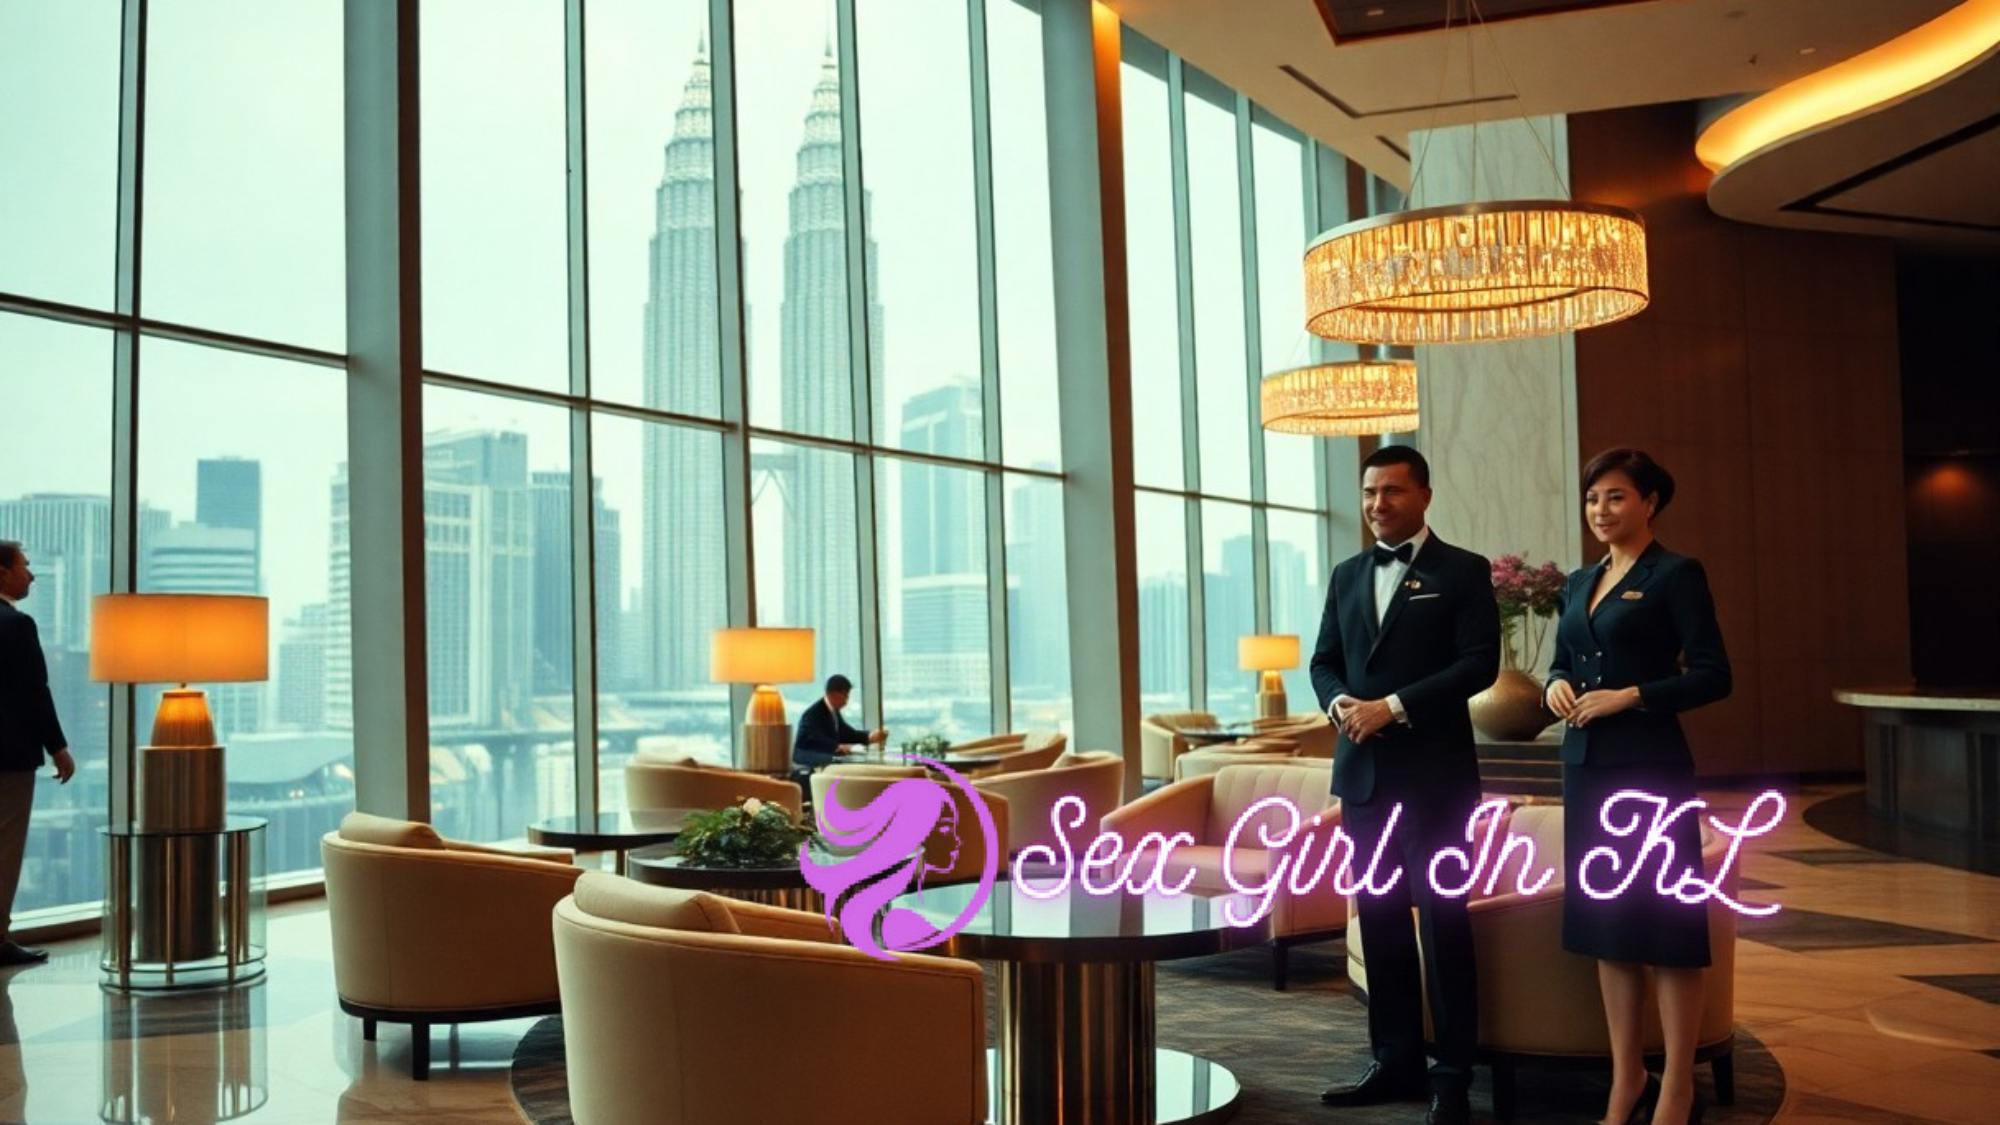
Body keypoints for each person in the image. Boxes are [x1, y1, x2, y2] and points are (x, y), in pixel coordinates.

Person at [1310, 447, 1498, 1125]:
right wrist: (1339, 705)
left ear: (1423, 494)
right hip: (1363, 778)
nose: (1377, 504)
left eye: (1391, 491)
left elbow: (1480, 663)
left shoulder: (1464, 570)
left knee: (1444, 926)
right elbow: (1324, 660)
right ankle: (1394, 1060)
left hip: (1436, 781)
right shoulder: (1348, 572)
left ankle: (1452, 1074)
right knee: (1382, 922)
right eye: (1368, 492)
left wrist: (1390, 704)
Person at [1545, 449, 1731, 1125]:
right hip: (1586, 769)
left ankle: (1677, 1083)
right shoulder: (1577, 581)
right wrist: (1553, 684)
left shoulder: (1677, 574)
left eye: (1616, 497)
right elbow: (1562, 660)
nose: (1601, 510)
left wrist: (1632, 695)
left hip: (1651, 770)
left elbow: (1714, 674)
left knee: (1669, 928)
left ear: (1650, 501)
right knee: (1609, 929)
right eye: (1594, 498)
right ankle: (1628, 1077)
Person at [0, 541, 77, 969]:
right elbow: (34, 692)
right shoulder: (15, 625)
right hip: (8, 757)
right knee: (5, 847)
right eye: (24, 567)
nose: (31, 575)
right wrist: (58, 747)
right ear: (2, 572)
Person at [792, 673, 887, 771]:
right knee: (838, 761)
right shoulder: (813, 713)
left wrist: (869, 736)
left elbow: (846, 733)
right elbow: (815, 739)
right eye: (844, 696)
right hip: (807, 754)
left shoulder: (833, 711)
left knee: (849, 760)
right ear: (832, 694)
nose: (846, 701)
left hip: (826, 752)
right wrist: (838, 747)